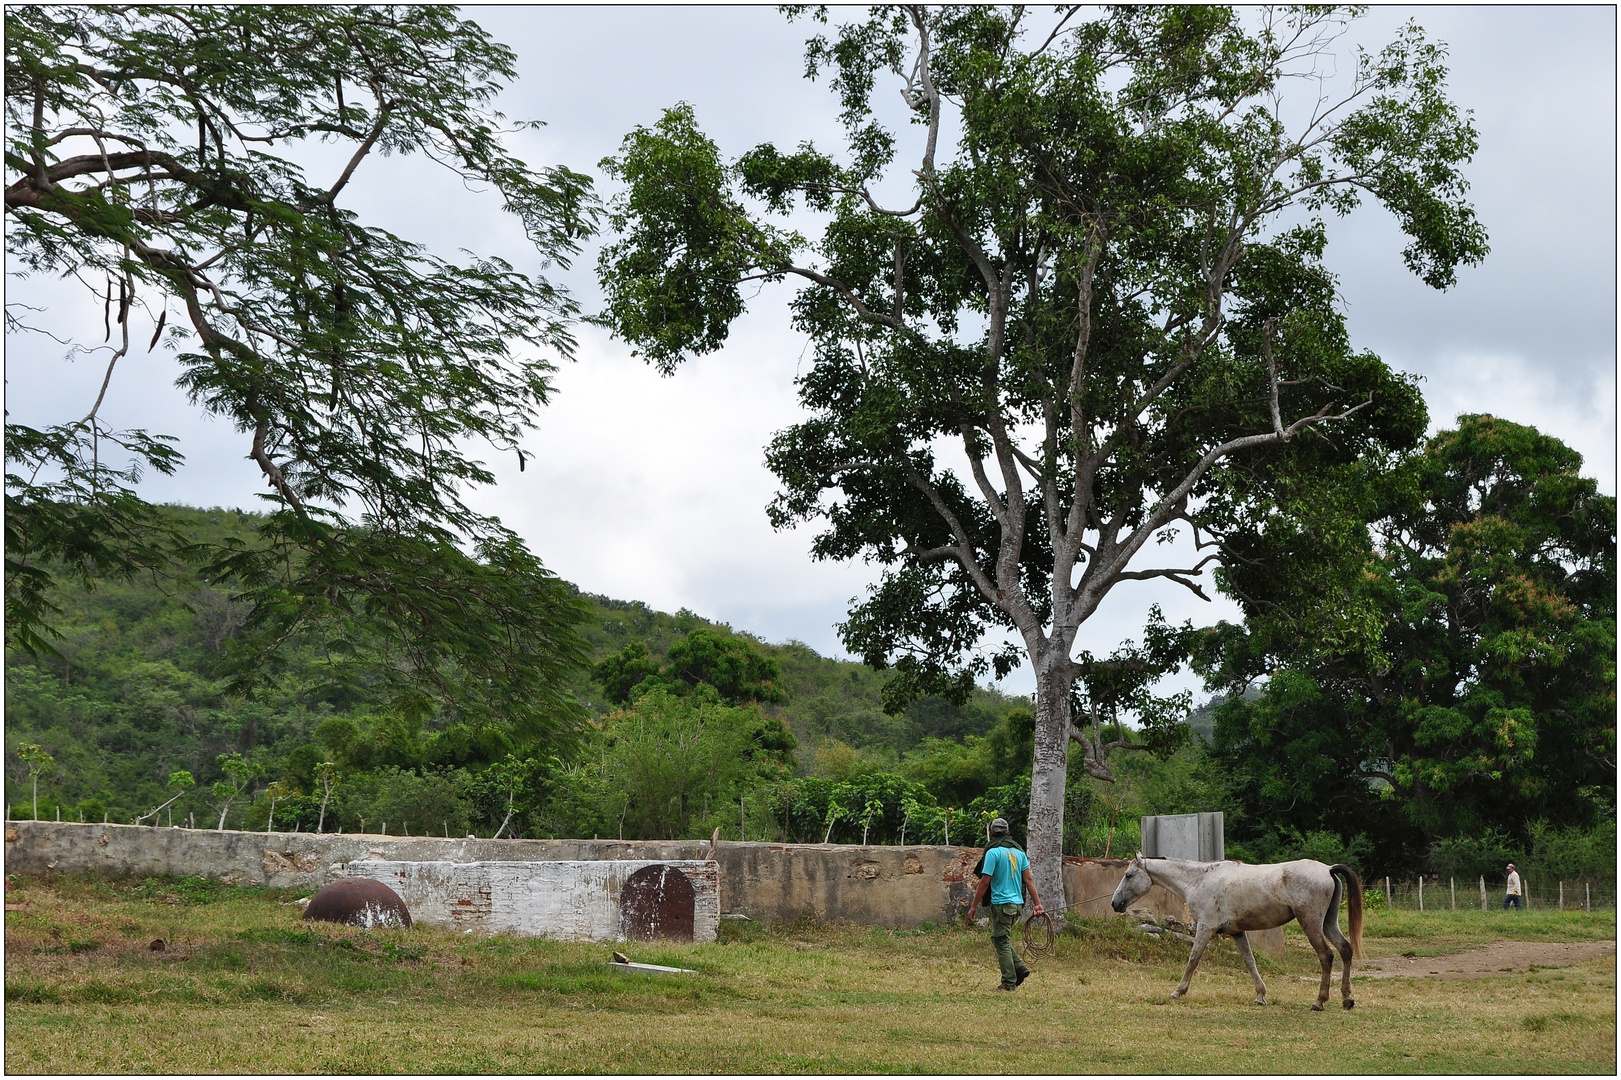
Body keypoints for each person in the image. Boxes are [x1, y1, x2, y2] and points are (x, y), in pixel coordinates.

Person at [966, 817, 1044, 991]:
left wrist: (973, 907)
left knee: (1001, 940)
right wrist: (1037, 904)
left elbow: (985, 882)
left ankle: (1009, 982)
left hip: (1002, 904)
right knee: (1001, 938)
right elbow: (1029, 880)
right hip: (1017, 905)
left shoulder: (993, 853)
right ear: (1008, 833)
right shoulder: (1020, 853)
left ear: (992, 834)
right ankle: (1020, 968)